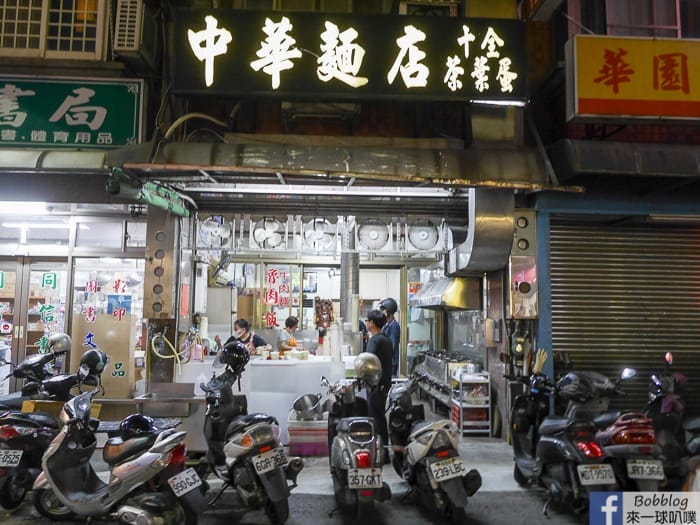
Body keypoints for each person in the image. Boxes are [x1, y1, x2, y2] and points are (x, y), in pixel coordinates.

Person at [365, 308, 393, 464]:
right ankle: (385, 452)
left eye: (368, 321)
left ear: (372, 323)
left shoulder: (375, 340)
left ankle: (381, 454)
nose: (367, 323)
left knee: (376, 419)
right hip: (384, 384)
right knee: (380, 417)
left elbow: (367, 361)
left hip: (375, 386)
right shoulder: (386, 339)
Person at [379, 297, 400, 377]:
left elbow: (391, 346)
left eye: (383, 310)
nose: (381, 312)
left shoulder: (394, 326)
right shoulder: (387, 325)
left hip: (391, 364)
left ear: (389, 311)